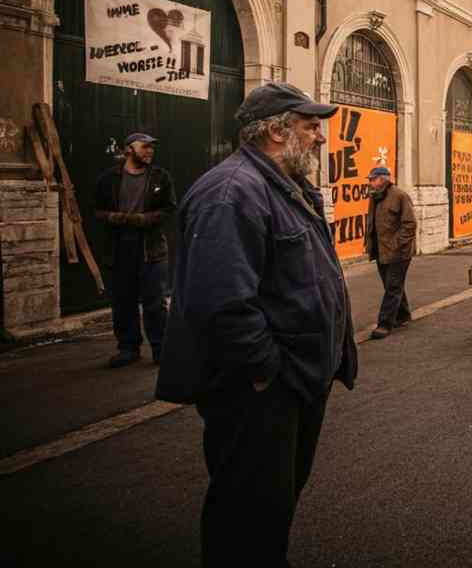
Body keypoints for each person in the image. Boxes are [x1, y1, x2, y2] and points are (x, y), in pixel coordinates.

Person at [155, 82, 358, 567]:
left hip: (293, 382)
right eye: (311, 127)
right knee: (247, 512)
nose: (321, 137)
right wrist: (268, 370)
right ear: (275, 131)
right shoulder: (231, 193)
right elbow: (221, 303)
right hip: (260, 390)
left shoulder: (282, 184)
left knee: (272, 507)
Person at [93, 133, 176, 368]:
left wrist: (142, 219)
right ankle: (128, 349)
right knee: (123, 301)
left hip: (151, 249)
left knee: (155, 303)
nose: (150, 151)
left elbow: (169, 209)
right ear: (129, 149)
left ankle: (161, 349)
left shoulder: (161, 177)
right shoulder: (108, 179)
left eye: (152, 148)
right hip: (119, 249)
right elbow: (97, 211)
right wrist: (114, 217)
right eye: (145, 147)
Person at [364, 165, 417, 339]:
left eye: (372, 179)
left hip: (399, 252)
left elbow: (409, 224)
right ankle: (403, 315)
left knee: (392, 286)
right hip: (380, 251)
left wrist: (397, 244)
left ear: (383, 179)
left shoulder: (400, 196)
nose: (370, 182)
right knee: (391, 285)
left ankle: (384, 324)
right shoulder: (375, 197)